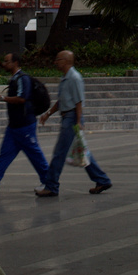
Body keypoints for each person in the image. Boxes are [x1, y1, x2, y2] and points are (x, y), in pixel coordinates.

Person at [35, 49, 112, 198]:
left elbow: (78, 102)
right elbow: (62, 100)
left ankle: (51, 186)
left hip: (71, 118)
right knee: (82, 151)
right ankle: (102, 179)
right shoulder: (65, 78)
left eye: (58, 60)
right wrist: (48, 114)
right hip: (68, 116)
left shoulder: (74, 78)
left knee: (59, 153)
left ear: (66, 61)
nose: (55, 62)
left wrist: (78, 121)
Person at [0, 52, 48, 192]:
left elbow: (22, 99)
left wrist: (2, 98)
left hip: (24, 125)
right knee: (5, 154)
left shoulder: (23, 79)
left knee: (35, 154)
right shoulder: (15, 79)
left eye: (7, 61)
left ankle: (48, 181)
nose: (4, 63)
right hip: (14, 126)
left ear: (15, 63)